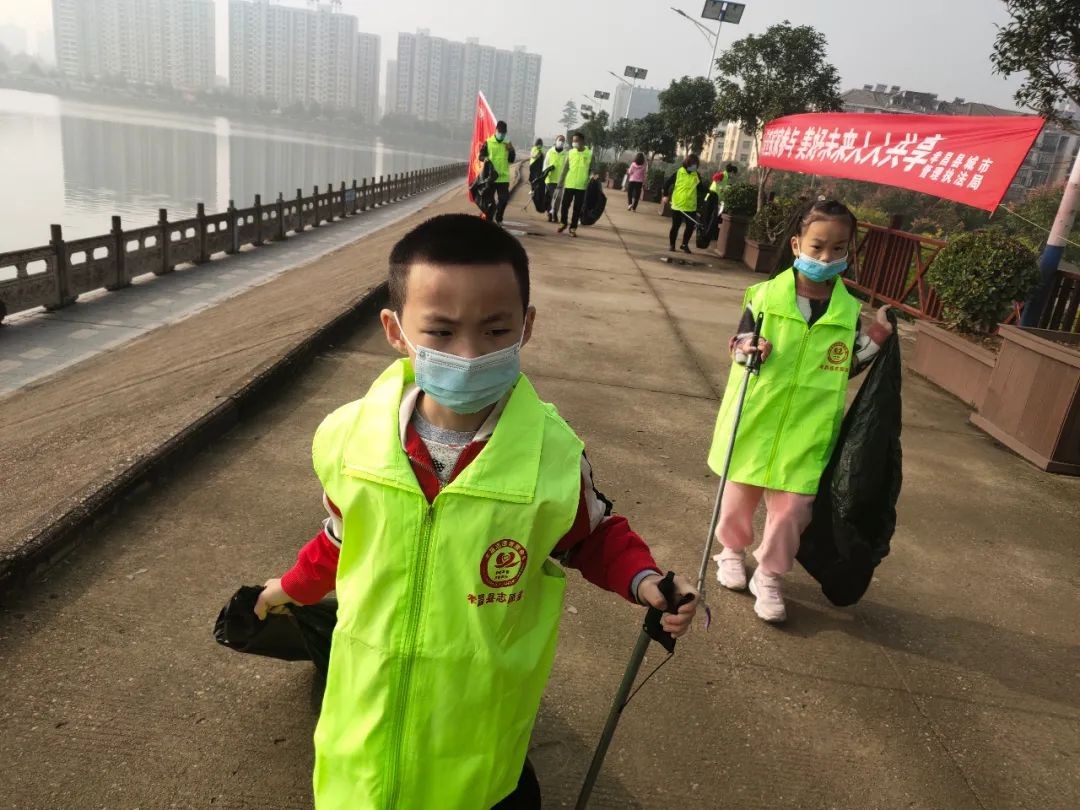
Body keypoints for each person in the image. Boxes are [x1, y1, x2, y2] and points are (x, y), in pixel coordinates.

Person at [253, 214, 699, 809]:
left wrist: (646, 581)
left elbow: (592, 537)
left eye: (495, 331)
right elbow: (338, 541)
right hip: (365, 708)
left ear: (526, 327)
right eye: (439, 331)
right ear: (395, 330)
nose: (469, 353)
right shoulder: (349, 440)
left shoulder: (551, 454)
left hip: (476, 720)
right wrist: (282, 591)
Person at [707, 199, 894, 623]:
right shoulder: (764, 296)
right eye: (817, 247)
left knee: (792, 511)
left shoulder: (849, 312)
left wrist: (878, 336)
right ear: (796, 245)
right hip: (755, 417)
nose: (827, 258)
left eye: (838, 249)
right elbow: (739, 342)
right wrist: (747, 349)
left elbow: (843, 367)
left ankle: (770, 575)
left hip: (809, 429)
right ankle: (731, 552)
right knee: (738, 498)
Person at [478, 120, 516, 224]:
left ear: (506, 133)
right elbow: (480, 156)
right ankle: (489, 220)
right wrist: (485, 158)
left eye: (503, 133)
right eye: (500, 132)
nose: (501, 135)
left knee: (503, 200)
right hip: (491, 178)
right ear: (496, 130)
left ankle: (499, 218)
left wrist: (511, 150)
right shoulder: (488, 142)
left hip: (503, 178)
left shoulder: (507, 144)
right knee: (490, 202)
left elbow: (512, 159)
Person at [663, 154, 701, 253]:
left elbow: (700, 188)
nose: (694, 166)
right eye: (693, 164)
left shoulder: (696, 175)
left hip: (690, 206)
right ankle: (672, 245)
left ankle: (685, 244)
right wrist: (665, 195)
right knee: (675, 226)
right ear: (688, 163)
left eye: (696, 165)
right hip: (678, 205)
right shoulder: (679, 172)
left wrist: (710, 193)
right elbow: (667, 183)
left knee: (690, 227)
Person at [557, 131, 593, 236]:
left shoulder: (589, 154)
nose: (574, 143)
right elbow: (565, 169)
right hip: (569, 184)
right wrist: (560, 182)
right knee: (564, 206)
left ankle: (573, 228)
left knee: (577, 209)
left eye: (576, 141)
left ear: (582, 141)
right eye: (573, 141)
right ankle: (563, 222)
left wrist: (592, 176)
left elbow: (592, 169)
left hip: (581, 186)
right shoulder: (571, 153)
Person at [542, 135, 568, 223]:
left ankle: (555, 213)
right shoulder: (550, 152)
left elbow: (567, 167)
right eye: (560, 140)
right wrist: (547, 171)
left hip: (560, 181)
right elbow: (545, 164)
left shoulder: (566, 154)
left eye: (563, 141)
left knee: (558, 199)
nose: (561, 142)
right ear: (556, 141)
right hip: (550, 179)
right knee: (549, 198)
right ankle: (549, 213)